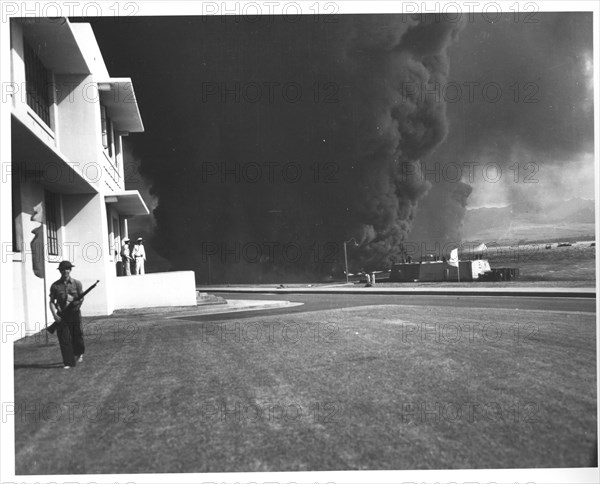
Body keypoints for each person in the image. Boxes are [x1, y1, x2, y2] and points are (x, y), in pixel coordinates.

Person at [49, 261, 85, 369]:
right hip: (62, 315)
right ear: (60, 271)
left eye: (68, 269)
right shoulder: (55, 286)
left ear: (70, 270)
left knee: (77, 336)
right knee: (64, 338)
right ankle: (68, 362)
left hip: (74, 313)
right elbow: (51, 301)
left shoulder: (76, 283)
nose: (66, 271)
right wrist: (54, 315)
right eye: (64, 269)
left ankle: (79, 353)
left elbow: (81, 297)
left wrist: (76, 305)